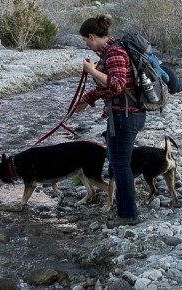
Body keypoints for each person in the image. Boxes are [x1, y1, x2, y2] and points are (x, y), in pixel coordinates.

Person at [73, 14, 145, 228]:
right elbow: (107, 86)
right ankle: (125, 211)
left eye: (86, 40)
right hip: (122, 115)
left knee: (121, 166)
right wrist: (86, 100)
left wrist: (92, 71)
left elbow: (117, 86)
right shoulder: (111, 51)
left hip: (126, 116)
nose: (87, 45)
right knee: (117, 164)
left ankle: (128, 215)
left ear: (93, 36)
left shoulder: (114, 53)